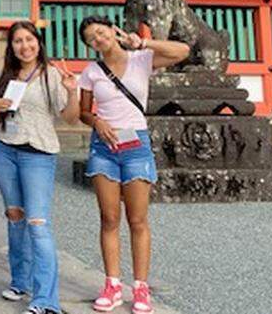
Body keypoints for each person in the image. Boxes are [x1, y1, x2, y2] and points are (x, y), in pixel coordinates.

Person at [77, 16, 189, 314]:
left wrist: (143, 42)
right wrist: (97, 122)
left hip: (136, 144)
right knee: (109, 218)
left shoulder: (141, 60)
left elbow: (182, 51)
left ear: (113, 32)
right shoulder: (91, 72)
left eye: (101, 32)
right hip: (104, 146)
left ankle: (141, 287)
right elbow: (83, 112)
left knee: (137, 220)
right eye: (91, 38)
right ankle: (112, 283)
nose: (98, 39)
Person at [0, 21, 81, 314]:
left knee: (37, 224)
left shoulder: (51, 74)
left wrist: (72, 91)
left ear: (38, 42)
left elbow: (69, 117)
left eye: (29, 40)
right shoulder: (8, 75)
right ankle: (20, 281)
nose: (24, 46)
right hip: (5, 148)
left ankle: (45, 300)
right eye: (17, 41)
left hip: (38, 153)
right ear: (12, 46)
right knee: (15, 217)